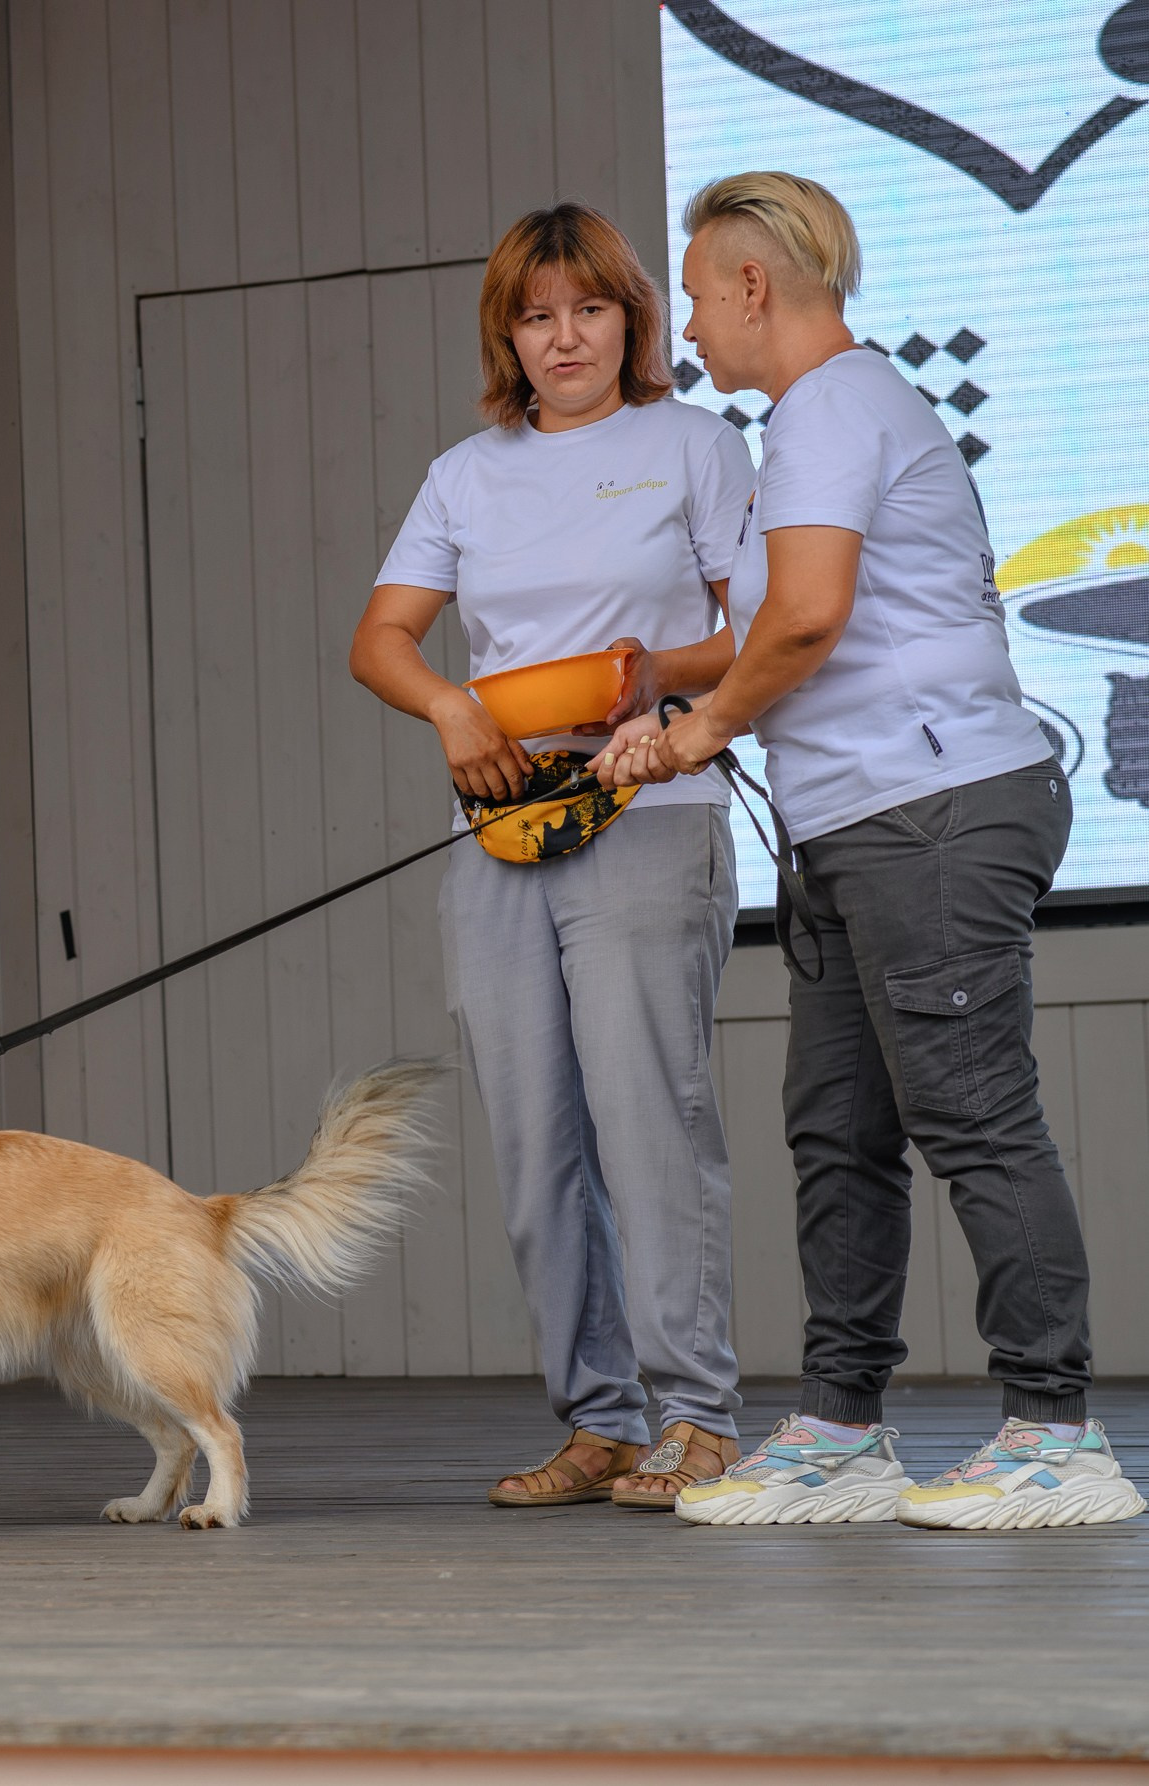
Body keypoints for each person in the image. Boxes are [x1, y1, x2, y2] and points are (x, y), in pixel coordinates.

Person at [608, 172, 1143, 1529]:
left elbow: (805, 622)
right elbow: (773, 631)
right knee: (839, 1130)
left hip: (935, 812)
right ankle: (844, 1427)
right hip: (855, 819)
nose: (684, 320)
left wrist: (698, 728)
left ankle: (1054, 1433)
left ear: (748, 286)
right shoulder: (824, 416)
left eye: (691, 289)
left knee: (972, 1115)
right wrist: (662, 703)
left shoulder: (833, 405)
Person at [351, 204, 754, 1510]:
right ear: (507, 336)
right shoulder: (466, 473)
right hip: (505, 821)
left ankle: (699, 1418)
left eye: (588, 307)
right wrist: (453, 708)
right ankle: (601, 1423)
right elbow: (385, 639)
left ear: (632, 318)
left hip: (648, 810)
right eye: (536, 315)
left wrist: (664, 707)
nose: (564, 335)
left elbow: (763, 631)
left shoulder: (694, 443)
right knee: (535, 1143)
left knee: (651, 1121)